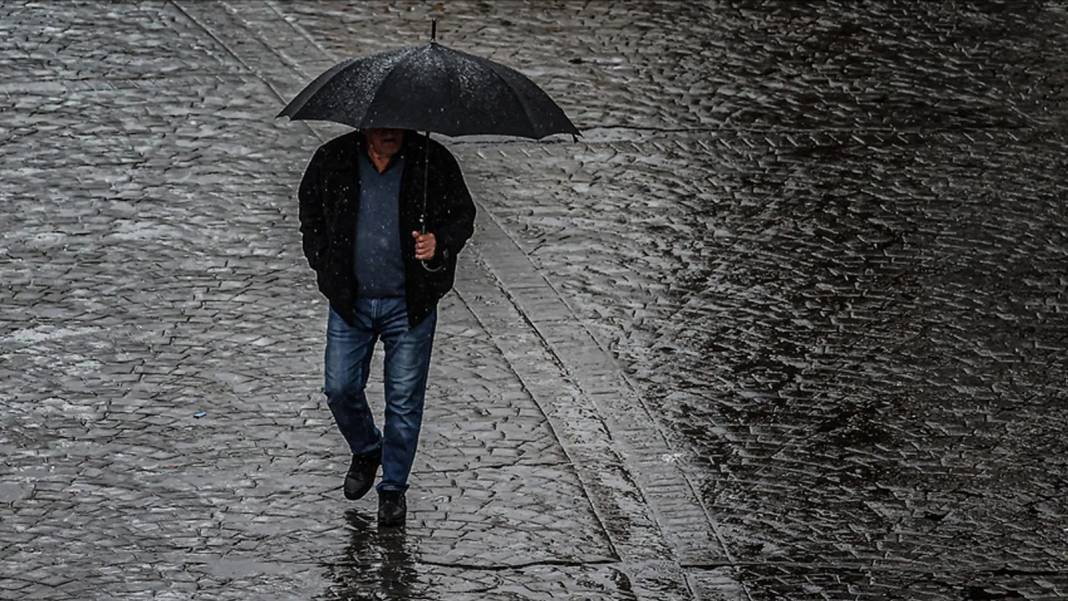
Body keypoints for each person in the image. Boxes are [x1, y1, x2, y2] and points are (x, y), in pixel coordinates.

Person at [297, 127, 475, 526]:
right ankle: (366, 448)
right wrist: (324, 265)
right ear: (364, 126)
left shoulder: (433, 162)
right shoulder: (334, 159)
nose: (389, 132)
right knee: (340, 387)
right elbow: (310, 213)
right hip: (350, 303)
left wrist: (439, 242)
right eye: (381, 124)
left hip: (408, 305)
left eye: (397, 124)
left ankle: (393, 489)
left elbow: (463, 216)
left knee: (404, 401)